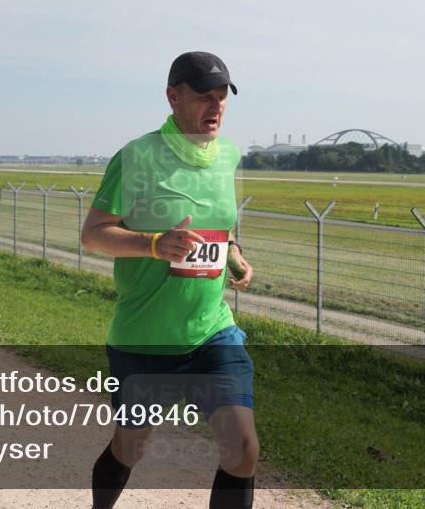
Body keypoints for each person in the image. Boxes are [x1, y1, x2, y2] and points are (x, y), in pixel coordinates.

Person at [81, 51, 257, 509]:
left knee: (242, 447)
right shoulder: (137, 157)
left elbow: (218, 223)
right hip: (145, 338)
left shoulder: (229, 155)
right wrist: (154, 245)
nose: (215, 107)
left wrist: (234, 254)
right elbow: (94, 235)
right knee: (130, 447)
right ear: (173, 97)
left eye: (222, 97)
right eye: (204, 97)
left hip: (211, 331)